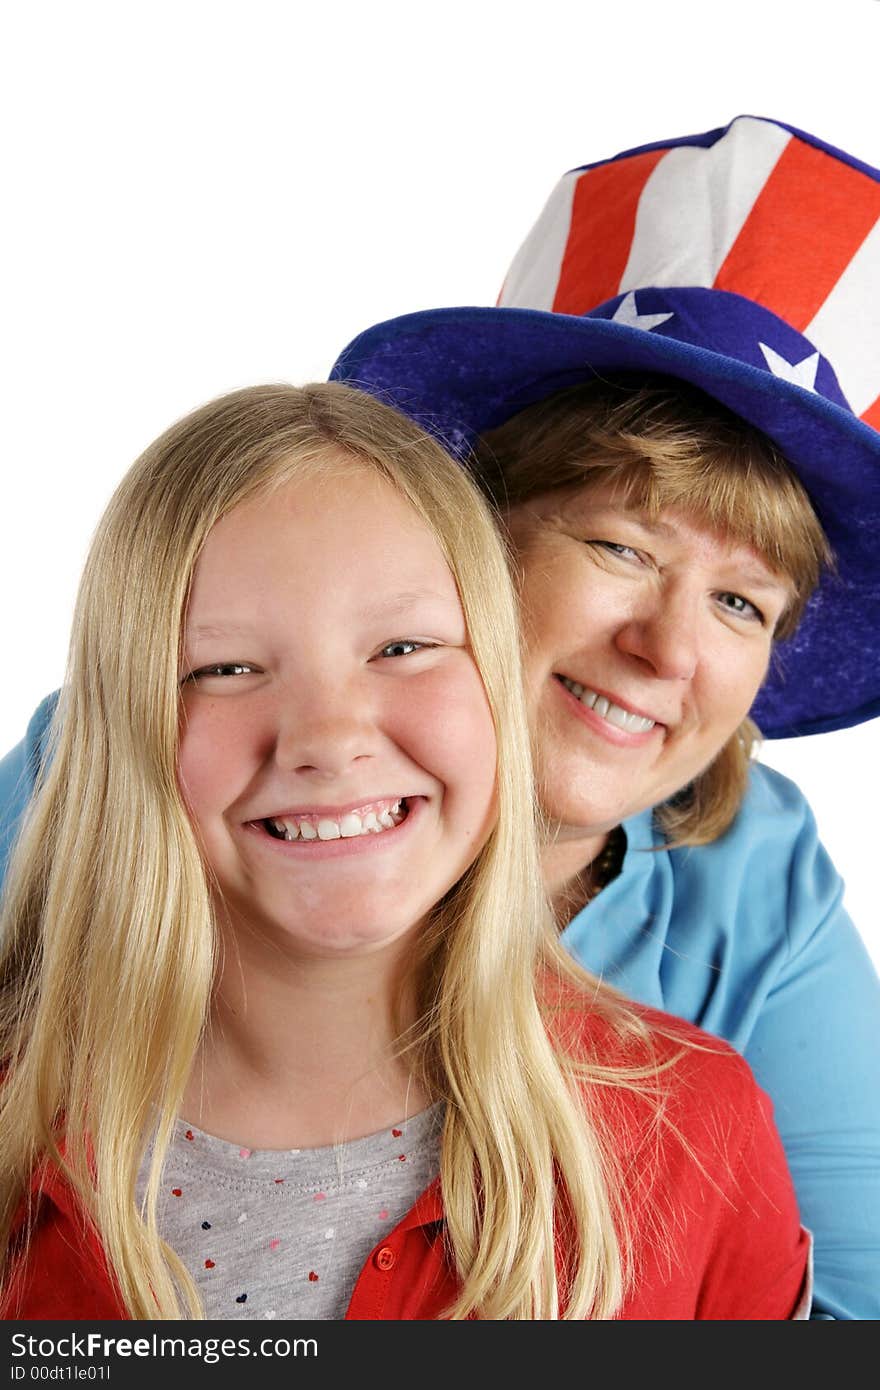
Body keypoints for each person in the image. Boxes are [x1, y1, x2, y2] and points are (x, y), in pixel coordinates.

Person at [0, 382, 809, 1321]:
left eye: (403, 647)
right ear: (119, 721)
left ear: (496, 682)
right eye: (225, 668)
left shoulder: (701, 1133)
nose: (329, 737)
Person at [327, 114, 880, 1320]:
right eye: (621, 546)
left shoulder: (759, 879)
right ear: (471, 530)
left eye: (740, 601)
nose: (667, 649)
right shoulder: (180, 751)